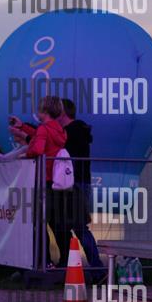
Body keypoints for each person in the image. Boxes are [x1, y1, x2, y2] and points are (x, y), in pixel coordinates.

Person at [10, 96, 68, 268]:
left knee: (39, 223)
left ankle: (44, 261)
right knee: (57, 224)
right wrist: (22, 126)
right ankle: (66, 261)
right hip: (57, 182)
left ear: (44, 111)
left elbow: (37, 148)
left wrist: (25, 155)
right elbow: (39, 136)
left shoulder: (44, 129)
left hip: (43, 181)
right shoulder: (59, 130)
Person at [57, 99, 104, 275]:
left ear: (63, 112)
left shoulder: (72, 131)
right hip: (75, 183)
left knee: (78, 226)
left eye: (56, 110)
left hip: (74, 184)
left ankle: (98, 269)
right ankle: (72, 265)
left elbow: (55, 144)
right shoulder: (78, 130)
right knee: (66, 225)